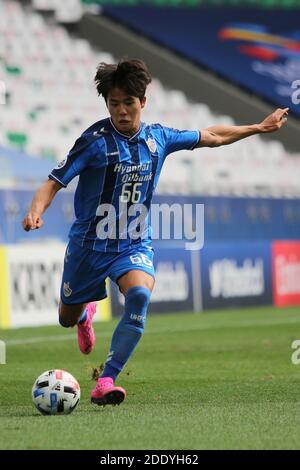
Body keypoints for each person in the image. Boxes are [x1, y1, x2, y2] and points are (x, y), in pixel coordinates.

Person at [22, 58, 288, 407]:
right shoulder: (93, 142)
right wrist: (34, 212)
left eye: (128, 103)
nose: (121, 111)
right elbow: (51, 184)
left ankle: (106, 379)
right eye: (113, 104)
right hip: (88, 246)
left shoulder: (158, 138)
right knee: (64, 318)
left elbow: (211, 136)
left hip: (132, 242)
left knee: (140, 296)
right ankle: (83, 313)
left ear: (142, 102)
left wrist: (258, 127)